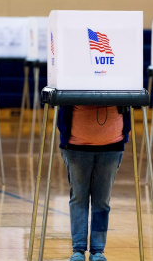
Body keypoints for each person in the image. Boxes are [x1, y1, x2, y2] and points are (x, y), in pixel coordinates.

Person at [58, 105, 131, 261]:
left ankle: (97, 250)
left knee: (102, 201)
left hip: (112, 145)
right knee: (79, 198)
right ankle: (78, 249)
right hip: (76, 145)